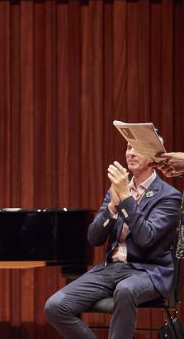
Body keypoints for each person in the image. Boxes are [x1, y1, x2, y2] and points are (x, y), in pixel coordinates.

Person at [44, 139, 182, 338]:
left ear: (153, 157)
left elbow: (146, 239)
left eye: (138, 148)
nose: (131, 153)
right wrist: (111, 208)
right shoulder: (117, 189)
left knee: (125, 290)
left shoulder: (169, 196)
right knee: (55, 306)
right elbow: (93, 238)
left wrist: (126, 200)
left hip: (148, 271)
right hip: (111, 269)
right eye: (128, 147)